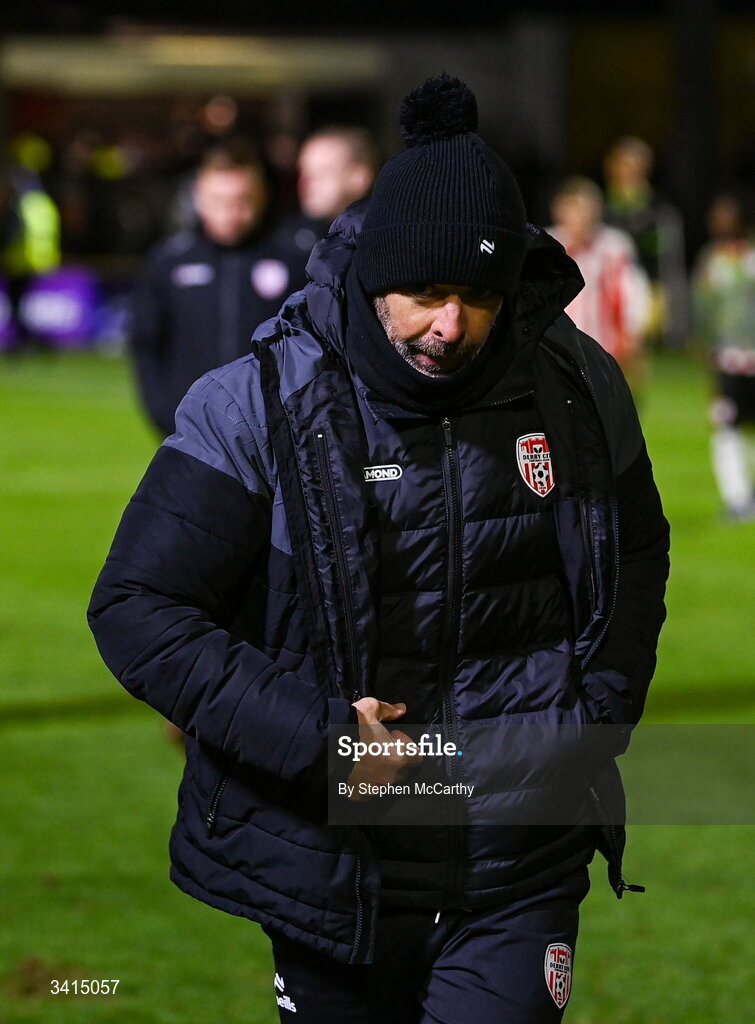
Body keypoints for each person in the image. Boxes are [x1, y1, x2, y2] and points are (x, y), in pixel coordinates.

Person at [89, 75, 670, 1023]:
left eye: (477, 296)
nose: (452, 325)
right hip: (334, 867)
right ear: (372, 277)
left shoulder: (575, 386)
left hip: (520, 851)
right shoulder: (260, 401)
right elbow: (137, 609)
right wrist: (316, 738)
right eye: (426, 292)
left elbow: (635, 548)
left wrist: (596, 709)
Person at [129, 138, 302, 437]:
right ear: (198, 196)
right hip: (192, 432)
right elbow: (146, 344)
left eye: (242, 200)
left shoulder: (294, 258)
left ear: (262, 194)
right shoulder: (170, 261)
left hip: (273, 432)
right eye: (219, 200)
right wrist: (165, 416)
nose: (231, 213)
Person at [548, 176, 650, 394]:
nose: (582, 218)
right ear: (560, 210)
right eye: (575, 209)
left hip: (602, 350)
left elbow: (631, 291)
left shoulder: (613, 247)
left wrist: (633, 334)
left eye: (587, 210)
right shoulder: (548, 247)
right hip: (556, 350)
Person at [692, 191, 755, 520]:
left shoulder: (750, 258)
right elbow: (705, 311)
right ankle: (737, 498)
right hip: (728, 361)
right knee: (727, 425)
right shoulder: (711, 260)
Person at [603, 135, 688, 349]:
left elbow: (668, 259)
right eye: (624, 164)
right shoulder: (598, 207)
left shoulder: (658, 210)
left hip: (643, 290)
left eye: (636, 165)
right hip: (601, 288)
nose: (629, 171)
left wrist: (664, 297)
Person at [276, 126, 379, 280]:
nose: (307, 182)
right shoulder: (285, 241)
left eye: (323, 172)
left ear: (359, 177)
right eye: (304, 171)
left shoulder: (383, 245)